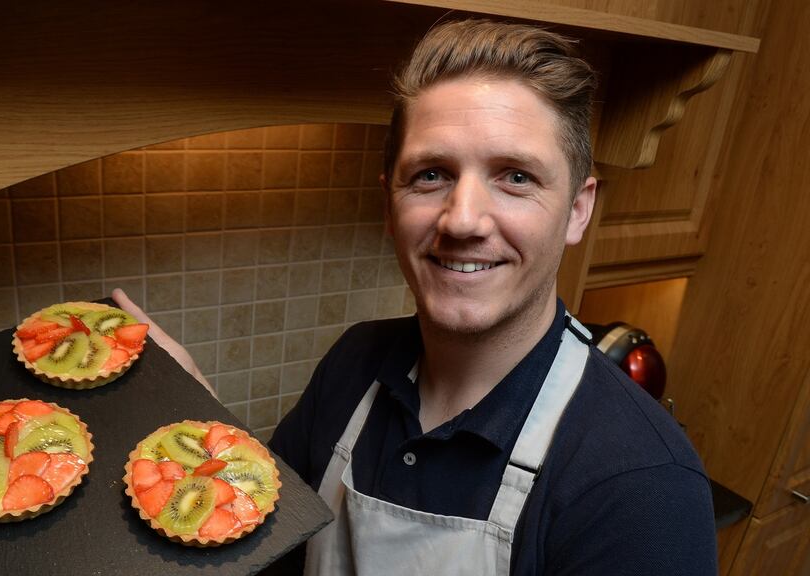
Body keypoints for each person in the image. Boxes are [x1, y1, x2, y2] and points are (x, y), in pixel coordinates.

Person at [115, 18, 717, 576]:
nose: (462, 220)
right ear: (390, 202)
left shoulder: (643, 487)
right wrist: (204, 425)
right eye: (431, 174)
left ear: (577, 209)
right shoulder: (355, 362)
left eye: (516, 177)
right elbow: (274, 551)